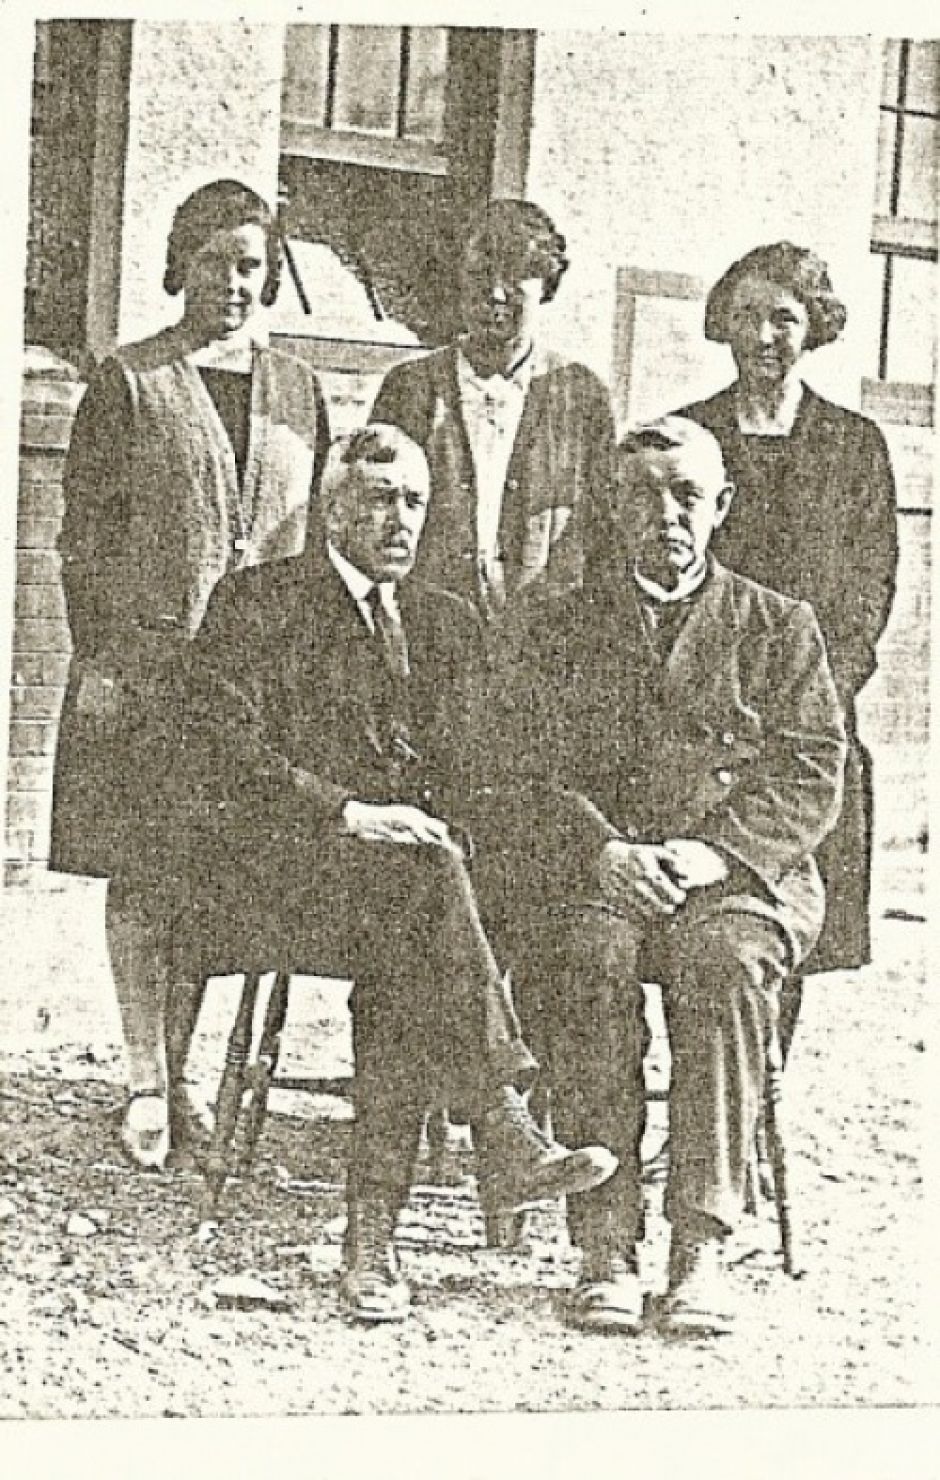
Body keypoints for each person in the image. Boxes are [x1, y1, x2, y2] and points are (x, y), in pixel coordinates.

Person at [159, 423, 617, 1324]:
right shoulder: (258, 603)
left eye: (413, 500)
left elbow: (495, 762)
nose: (398, 518)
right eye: (376, 498)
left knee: (419, 924)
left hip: (408, 897)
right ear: (331, 509)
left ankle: (373, 1243)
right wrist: (350, 813)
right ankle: (500, 1123)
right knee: (421, 897)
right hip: (283, 872)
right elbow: (215, 752)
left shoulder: (448, 622)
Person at [510, 418, 845, 1336]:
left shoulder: (781, 625)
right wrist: (603, 853)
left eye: (687, 494)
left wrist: (711, 855)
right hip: (605, 867)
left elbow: (813, 769)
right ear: (612, 509)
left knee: (726, 966)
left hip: (739, 872)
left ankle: (701, 1244)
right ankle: (605, 1243)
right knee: (583, 957)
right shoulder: (556, 623)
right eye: (642, 494)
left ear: (722, 505)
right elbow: (521, 766)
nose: (666, 514)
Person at [50, 179, 331, 1170]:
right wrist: (104, 659)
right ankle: (142, 1080)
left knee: (213, 875)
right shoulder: (129, 380)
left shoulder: (299, 391)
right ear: (182, 265)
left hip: (256, 686)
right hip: (152, 669)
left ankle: (185, 1068)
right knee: (143, 872)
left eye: (251, 264)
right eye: (214, 261)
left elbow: (311, 542)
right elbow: (83, 539)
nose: (233, 282)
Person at [676, 242, 898, 1029]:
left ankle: (760, 1089)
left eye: (784, 318)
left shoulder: (854, 446)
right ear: (723, 325)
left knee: (782, 921)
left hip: (809, 725)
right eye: (746, 317)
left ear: (814, 328)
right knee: (692, 923)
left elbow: (869, 591)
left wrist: (814, 701)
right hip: (700, 721)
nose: (764, 336)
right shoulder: (690, 434)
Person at [369, 198, 615, 623]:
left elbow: (604, 528)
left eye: (516, 277)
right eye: (480, 275)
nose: (495, 293)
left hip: (545, 636)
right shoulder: (409, 387)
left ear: (546, 286)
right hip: (429, 630)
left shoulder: (581, 394)